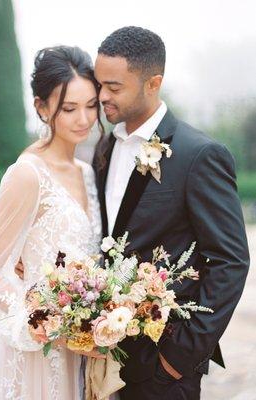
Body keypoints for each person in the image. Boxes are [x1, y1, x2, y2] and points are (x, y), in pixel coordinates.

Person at [91, 26, 250, 399]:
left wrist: (179, 357)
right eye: (99, 85)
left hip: (163, 366)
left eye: (114, 88)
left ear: (153, 83)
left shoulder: (200, 155)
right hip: (100, 353)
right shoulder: (105, 148)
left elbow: (231, 261)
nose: (102, 97)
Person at [0, 45, 104, 400]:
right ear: (42, 107)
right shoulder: (27, 174)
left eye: (92, 105)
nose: (84, 119)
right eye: (69, 108)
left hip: (85, 354)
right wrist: (49, 324)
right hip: (38, 356)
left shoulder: (88, 173)